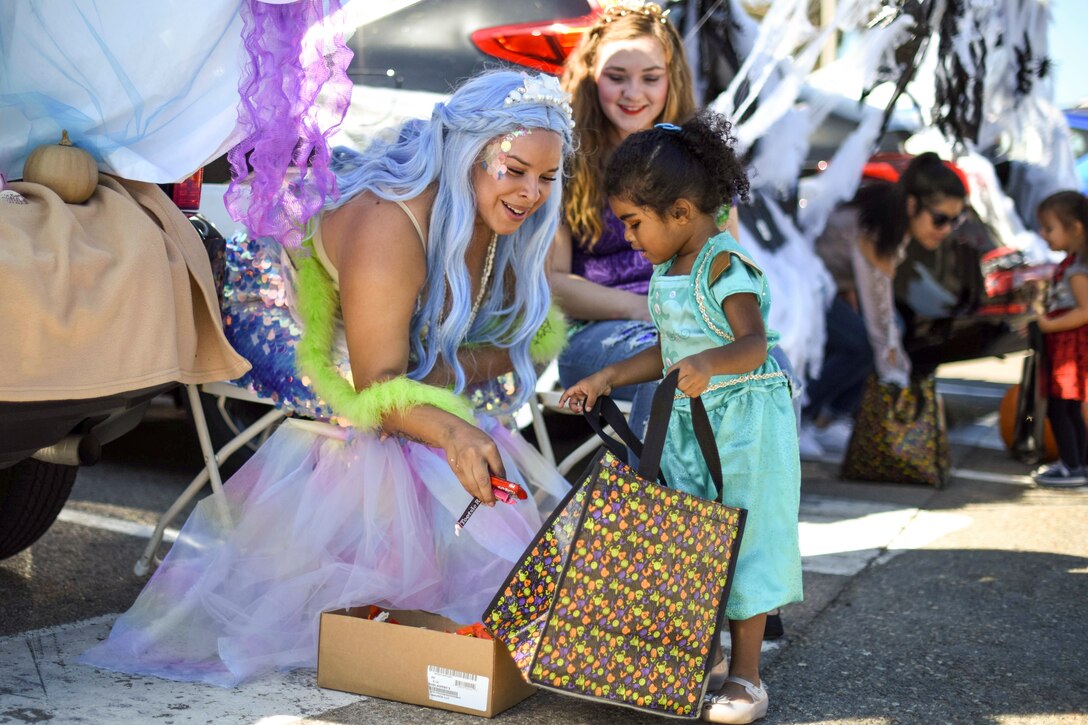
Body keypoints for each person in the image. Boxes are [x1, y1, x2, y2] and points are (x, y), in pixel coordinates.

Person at [79, 70, 576, 686]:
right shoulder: (394, 228)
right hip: (278, 310)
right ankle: (376, 595)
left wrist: (454, 408)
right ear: (470, 156)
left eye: (546, 177)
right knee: (393, 434)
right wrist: (449, 432)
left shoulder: (494, 219)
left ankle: (415, 599)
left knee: (457, 410)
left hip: (373, 334)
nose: (531, 193)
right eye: (515, 170)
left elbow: (486, 346)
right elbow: (374, 389)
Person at [559, 111, 802, 725]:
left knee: (745, 541)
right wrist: (608, 376)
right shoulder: (670, 269)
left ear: (683, 212)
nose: (630, 238)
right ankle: (708, 661)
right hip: (691, 427)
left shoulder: (724, 265)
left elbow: (755, 344)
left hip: (744, 427)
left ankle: (747, 676)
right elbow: (666, 350)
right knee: (696, 540)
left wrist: (711, 363)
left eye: (635, 224)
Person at [806, 152, 968, 454]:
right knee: (864, 343)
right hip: (800, 285)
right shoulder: (879, 228)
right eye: (940, 218)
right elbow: (879, 321)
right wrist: (898, 381)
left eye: (956, 220)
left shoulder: (891, 217)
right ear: (912, 205)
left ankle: (830, 417)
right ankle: (801, 417)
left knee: (887, 333)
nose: (946, 229)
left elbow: (875, 300)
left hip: (826, 286)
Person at [1030, 191, 1088, 487]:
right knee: (1070, 407)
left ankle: (1072, 465)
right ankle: (1079, 462)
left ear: (1075, 228)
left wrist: (1047, 325)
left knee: (1059, 406)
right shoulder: (1071, 263)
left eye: (1049, 228)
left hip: (1069, 350)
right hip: (1067, 346)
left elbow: (1085, 311)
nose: (1043, 234)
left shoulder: (1078, 270)